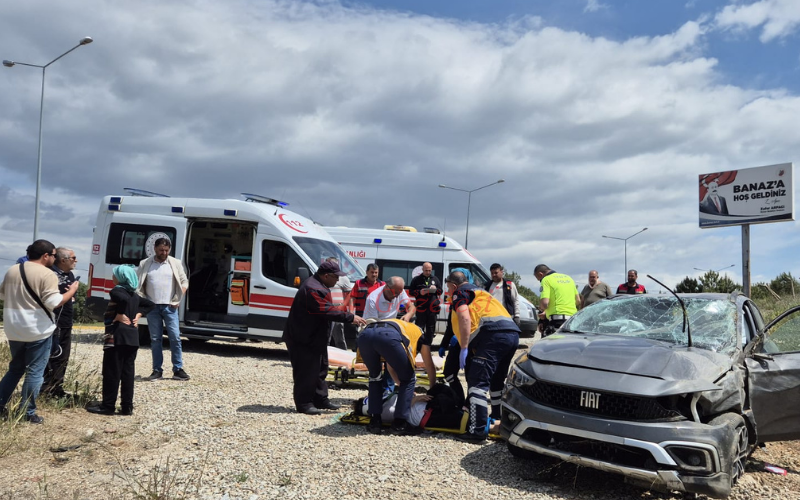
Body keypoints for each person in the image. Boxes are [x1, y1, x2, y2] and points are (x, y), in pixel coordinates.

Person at [0, 240, 79, 423]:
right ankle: (27, 413)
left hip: (13, 328)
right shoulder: (47, 274)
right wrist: (72, 291)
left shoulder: (13, 269)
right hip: (37, 329)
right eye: (53, 255)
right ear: (45, 256)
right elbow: (54, 302)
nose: (54, 258)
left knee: (15, 369)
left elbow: (2, 294)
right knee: (35, 371)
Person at [282, 261, 367, 415]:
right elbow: (326, 311)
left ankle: (320, 399)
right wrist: (350, 317)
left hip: (314, 337)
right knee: (306, 371)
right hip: (303, 338)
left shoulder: (320, 285)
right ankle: (304, 403)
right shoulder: (312, 288)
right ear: (326, 275)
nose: (338, 281)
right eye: (336, 277)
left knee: (321, 368)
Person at [446, 270, 519, 443]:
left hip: (492, 336)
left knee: (477, 383)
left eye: (448, 287)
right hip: (511, 334)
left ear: (454, 285)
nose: (447, 292)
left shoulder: (460, 293)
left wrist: (464, 347)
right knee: (496, 381)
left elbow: (464, 315)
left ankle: (477, 431)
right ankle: (497, 418)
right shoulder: (480, 292)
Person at [87, 265, 154, 416]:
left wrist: (119, 314)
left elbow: (121, 299)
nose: (113, 277)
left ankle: (108, 406)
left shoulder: (117, 291)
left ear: (121, 277)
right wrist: (138, 315)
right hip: (132, 338)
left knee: (112, 372)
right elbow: (151, 305)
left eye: (115, 275)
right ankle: (126, 407)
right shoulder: (134, 295)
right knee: (127, 373)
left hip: (117, 336)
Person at [136, 237, 190, 381]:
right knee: (155, 339)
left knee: (175, 337)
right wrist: (144, 301)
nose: (164, 253)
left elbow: (184, 281)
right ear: (155, 248)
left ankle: (178, 369)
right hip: (152, 307)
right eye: (161, 250)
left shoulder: (175, 263)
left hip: (170, 306)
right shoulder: (145, 263)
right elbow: (138, 284)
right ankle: (157, 370)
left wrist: (178, 297)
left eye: (166, 250)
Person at [357, 318, 423, 435]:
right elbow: (426, 363)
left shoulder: (402, 327)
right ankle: (399, 424)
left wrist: (401, 386)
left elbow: (390, 365)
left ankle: (375, 422)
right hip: (387, 336)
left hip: (365, 335)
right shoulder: (418, 334)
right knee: (409, 378)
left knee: (374, 378)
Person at [41, 247, 79, 399]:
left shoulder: (69, 274)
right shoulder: (51, 275)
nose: (76, 261)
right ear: (63, 260)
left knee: (63, 356)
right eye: (73, 258)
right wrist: (69, 293)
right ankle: (47, 389)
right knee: (52, 356)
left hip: (66, 321)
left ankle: (57, 388)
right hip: (53, 322)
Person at [408, 262, 442, 387]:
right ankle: (417, 348)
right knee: (418, 329)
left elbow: (440, 290)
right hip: (421, 308)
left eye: (430, 270)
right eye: (426, 270)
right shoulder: (417, 279)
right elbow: (411, 291)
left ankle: (427, 347)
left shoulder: (435, 279)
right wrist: (419, 292)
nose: (428, 272)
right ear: (422, 270)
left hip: (432, 309)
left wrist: (435, 291)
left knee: (431, 329)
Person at [534, 264, 580, 337]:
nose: (540, 281)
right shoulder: (569, 278)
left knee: (553, 347)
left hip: (557, 321)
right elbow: (578, 300)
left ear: (540, 274)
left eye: (539, 279)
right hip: (572, 321)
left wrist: (543, 310)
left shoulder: (546, 280)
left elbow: (544, 304)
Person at [325, 257, 352, 350]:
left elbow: (349, 294)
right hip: (326, 309)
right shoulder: (323, 277)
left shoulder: (343, 278)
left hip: (337, 310)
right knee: (326, 335)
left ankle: (342, 359)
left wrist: (344, 305)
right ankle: (324, 357)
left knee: (339, 336)